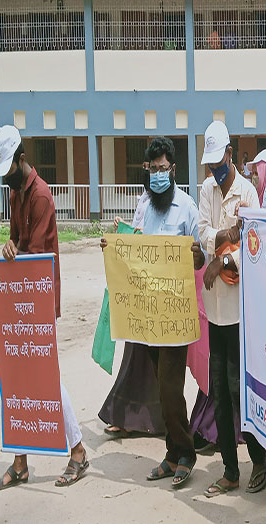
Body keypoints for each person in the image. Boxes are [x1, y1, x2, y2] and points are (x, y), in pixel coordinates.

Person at [0, 125, 89, 491]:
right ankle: (20, 461)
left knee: (45, 375)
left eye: (10, 172)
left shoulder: (42, 196)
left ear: (22, 159)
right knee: (18, 375)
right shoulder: (16, 195)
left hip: (39, 299)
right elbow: (18, 240)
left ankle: (77, 450)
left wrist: (19, 252)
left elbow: (37, 255)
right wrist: (8, 246)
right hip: (18, 297)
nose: (8, 181)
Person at [100, 137, 204, 487]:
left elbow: (201, 256)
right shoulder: (144, 205)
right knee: (161, 387)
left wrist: (192, 254)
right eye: (153, 169)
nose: (158, 174)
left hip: (174, 314)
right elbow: (134, 247)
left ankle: (186, 453)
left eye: (163, 168)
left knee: (172, 388)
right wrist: (114, 245)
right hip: (148, 315)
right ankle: (172, 453)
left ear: (173, 170)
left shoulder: (187, 208)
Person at [198, 120, 266, 497]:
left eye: (220, 161)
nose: (216, 169)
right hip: (215, 310)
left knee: (238, 388)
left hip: (240, 310)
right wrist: (226, 237)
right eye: (211, 164)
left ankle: (259, 459)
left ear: (231, 152)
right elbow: (203, 231)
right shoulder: (207, 190)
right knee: (219, 393)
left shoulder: (248, 193)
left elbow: (252, 244)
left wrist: (221, 262)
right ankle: (230, 468)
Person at [100, 148, 165, 438]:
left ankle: (155, 419)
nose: (151, 173)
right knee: (135, 354)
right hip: (138, 288)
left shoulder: (168, 203)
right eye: (149, 167)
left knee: (151, 359)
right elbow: (138, 234)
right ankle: (127, 416)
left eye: (157, 168)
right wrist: (119, 234)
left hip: (155, 288)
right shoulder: (144, 199)